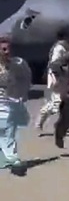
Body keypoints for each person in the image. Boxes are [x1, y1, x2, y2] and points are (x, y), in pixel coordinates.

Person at [0, 35, 32, 176]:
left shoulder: (17, 64)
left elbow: (26, 79)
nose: (7, 52)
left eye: (8, 49)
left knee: (9, 129)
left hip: (9, 103)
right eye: (3, 49)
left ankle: (13, 158)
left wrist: (22, 94)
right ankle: (9, 156)